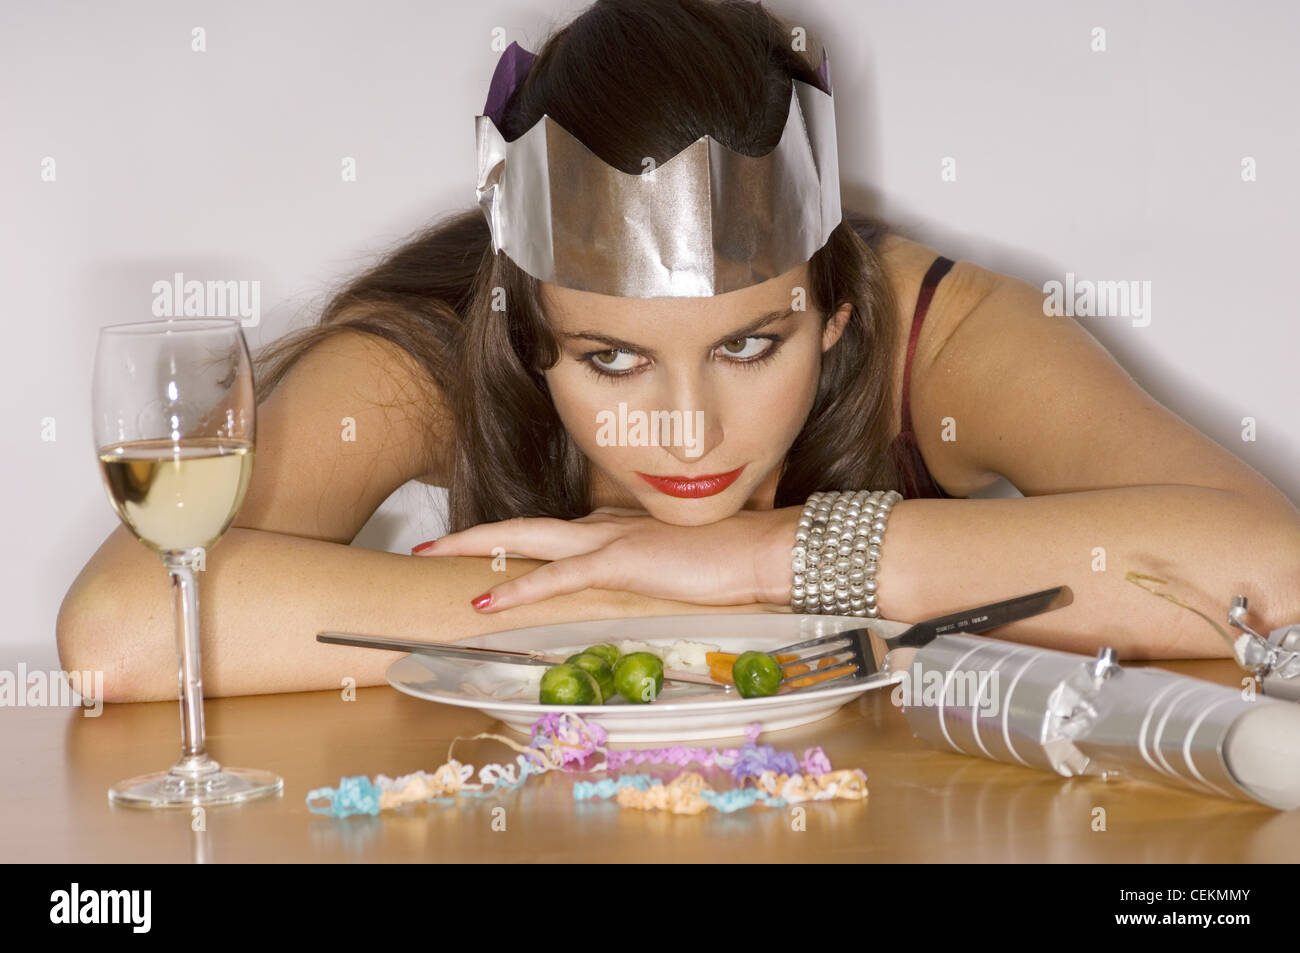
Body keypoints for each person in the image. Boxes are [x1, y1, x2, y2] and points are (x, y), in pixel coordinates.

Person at [58, 0, 1299, 702]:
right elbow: (122, 630)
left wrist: (760, 559)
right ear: (527, 331)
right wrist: (639, 586)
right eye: (609, 360)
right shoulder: (441, 345)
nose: (687, 429)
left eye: (753, 342)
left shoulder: (942, 329)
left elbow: (1272, 572)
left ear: (836, 311)